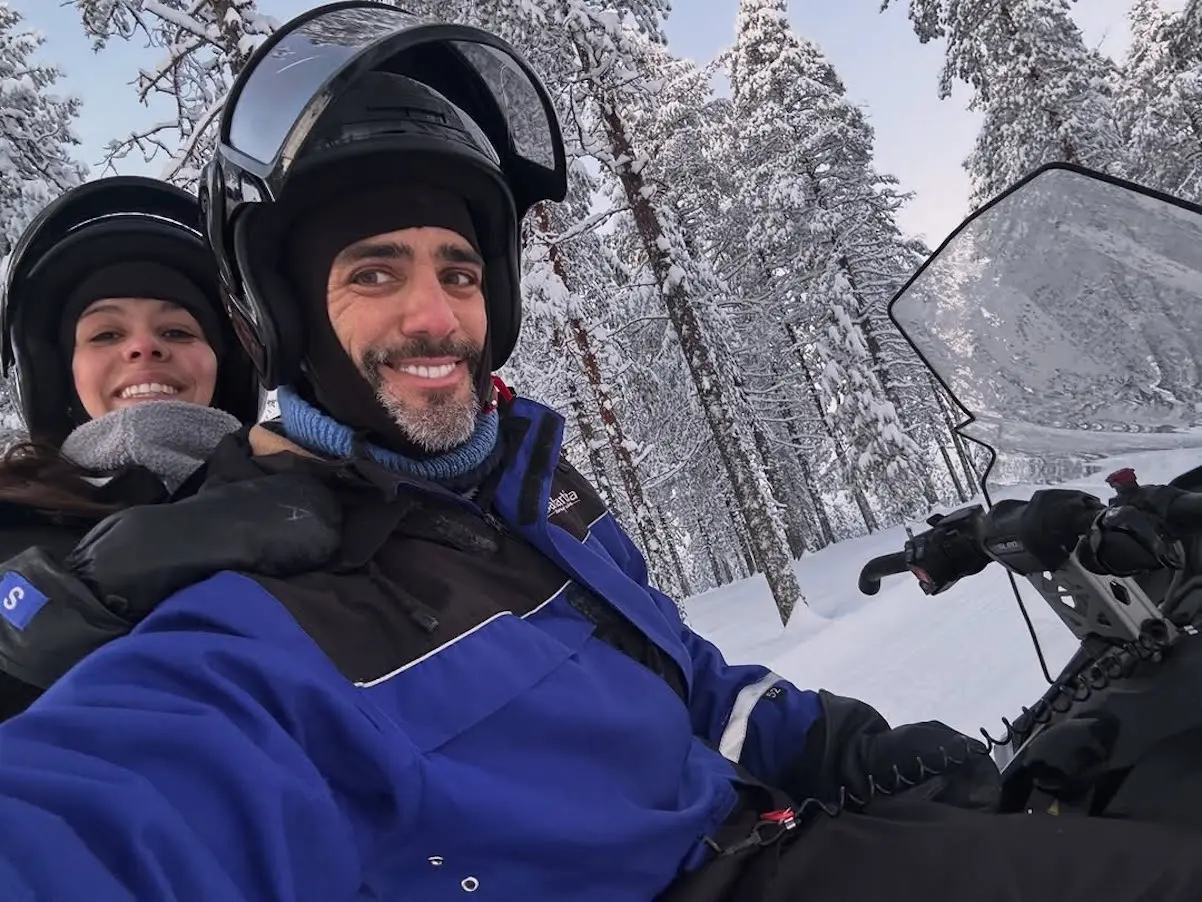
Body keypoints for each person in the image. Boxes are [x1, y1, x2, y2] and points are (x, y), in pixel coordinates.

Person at [0, 5, 1197, 901]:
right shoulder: (257, 600)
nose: (433, 315)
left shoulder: (523, 492)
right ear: (286, 315)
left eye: (457, 269)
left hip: (786, 842)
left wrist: (838, 740)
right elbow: (109, 812)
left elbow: (684, 682)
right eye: (373, 271)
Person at [0, 175, 338, 718]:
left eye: (178, 332)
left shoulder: (296, 484)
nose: (143, 347)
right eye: (106, 334)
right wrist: (64, 609)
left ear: (223, 364)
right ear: (58, 373)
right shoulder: (10, 521)